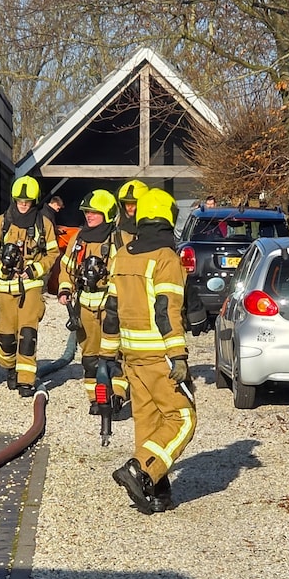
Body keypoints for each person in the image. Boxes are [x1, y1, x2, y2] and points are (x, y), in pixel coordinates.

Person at [101, 187, 195, 514]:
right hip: (159, 355)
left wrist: (107, 356)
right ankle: (140, 469)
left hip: (132, 356)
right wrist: (179, 355)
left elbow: (111, 310)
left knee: (149, 421)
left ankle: (155, 491)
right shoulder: (166, 257)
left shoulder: (124, 253)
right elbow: (166, 309)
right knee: (183, 418)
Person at [0, 175, 60, 397]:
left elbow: (53, 253)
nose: (23, 205)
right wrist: (1, 269)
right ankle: (10, 368)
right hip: (5, 291)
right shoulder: (2, 222)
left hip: (30, 289)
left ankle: (26, 380)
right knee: (6, 338)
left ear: (34, 201)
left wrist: (35, 269)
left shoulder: (43, 224)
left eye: (27, 201)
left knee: (27, 335)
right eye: (19, 201)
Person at [57, 189, 128, 414]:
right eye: (87, 212)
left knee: (114, 354)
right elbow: (66, 268)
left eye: (94, 213)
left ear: (106, 214)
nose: (89, 216)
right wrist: (64, 289)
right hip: (84, 305)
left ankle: (117, 395)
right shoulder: (79, 239)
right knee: (89, 357)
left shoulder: (118, 239)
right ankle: (95, 398)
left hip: (110, 306)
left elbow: (125, 272)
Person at [114, 179, 148, 249]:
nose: (130, 206)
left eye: (133, 203)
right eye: (127, 203)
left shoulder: (150, 229)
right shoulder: (116, 228)